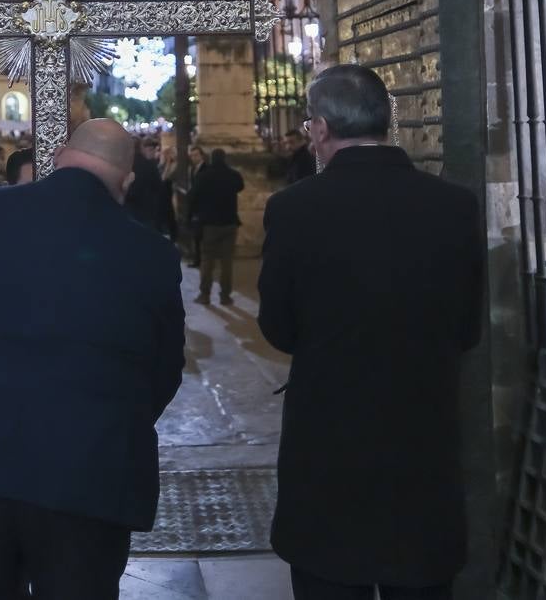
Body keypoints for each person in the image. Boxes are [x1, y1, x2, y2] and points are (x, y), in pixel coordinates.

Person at [0, 119, 186, 600]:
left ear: (60, 156)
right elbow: (164, 370)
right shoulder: (152, 253)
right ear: (126, 181)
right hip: (86, 474)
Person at [258, 65, 483, 600]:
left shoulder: (294, 209)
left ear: (319, 129)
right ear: (388, 121)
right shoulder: (453, 206)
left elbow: (278, 327)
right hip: (422, 442)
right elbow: (467, 327)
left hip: (329, 448)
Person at [191, 148, 245, 305]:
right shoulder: (233, 175)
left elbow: (193, 196)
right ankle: (225, 296)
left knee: (207, 260)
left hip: (210, 224)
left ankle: (205, 294)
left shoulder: (204, 176)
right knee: (227, 261)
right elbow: (240, 187)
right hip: (230, 222)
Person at [124, 136, 165, 229]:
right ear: (141, 147)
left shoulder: (123, 164)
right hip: (146, 206)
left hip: (128, 205)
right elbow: (158, 185)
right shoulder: (149, 164)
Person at [159, 146, 180, 239]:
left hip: (174, 192)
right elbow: (162, 177)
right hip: (166, 194)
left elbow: (167, 177)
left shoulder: (177, 165)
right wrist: (165, 162)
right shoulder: (164, 164)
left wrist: (167, 164)